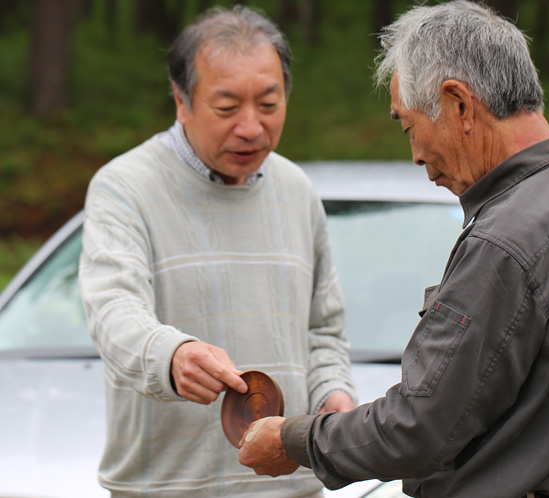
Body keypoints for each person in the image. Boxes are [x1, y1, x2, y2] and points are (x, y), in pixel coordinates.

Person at [237, 1, 549, 497]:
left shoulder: (507, 238)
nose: (417, 154)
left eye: (408, 126)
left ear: (459, 104)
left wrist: (294, 439)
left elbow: (418, 427)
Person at [78, 5, 356, 498]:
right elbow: (112, 310)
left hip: (290, 485)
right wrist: (170, 355)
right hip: (163, 488)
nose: (251, 127)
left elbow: (324, 329)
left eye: (269, 105)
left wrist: (333, 394)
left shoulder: (297, 190)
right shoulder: (124, 187)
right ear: (181, 101)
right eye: (227, 108)